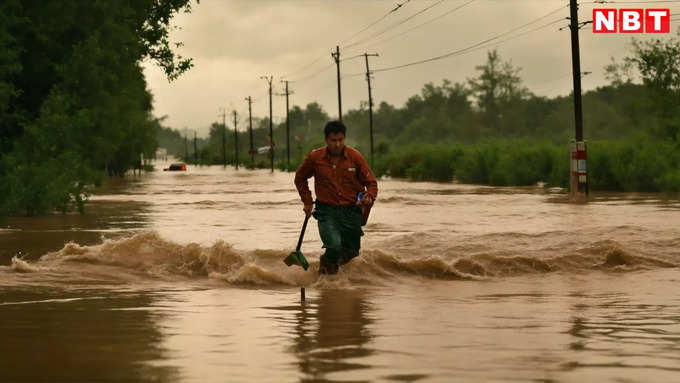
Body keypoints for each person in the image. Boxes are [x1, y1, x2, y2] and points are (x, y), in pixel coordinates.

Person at [294, 121, 378, 275]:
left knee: (352, 253)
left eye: (340, 140)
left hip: (351, 211)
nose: (337, 144)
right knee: (333, 246)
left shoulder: (355, 157)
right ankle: (326, 282)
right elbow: (300, 178)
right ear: (326, 140)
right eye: (334, 140)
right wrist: (307, 200)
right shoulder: (315, 158)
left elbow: (371, 183)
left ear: (344, 139)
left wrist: (369, 196)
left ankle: (331, 273)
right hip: (327, 212)